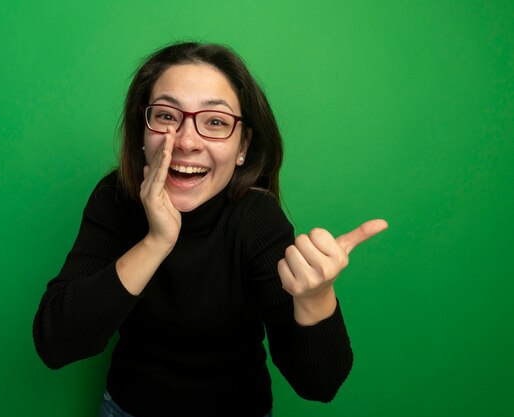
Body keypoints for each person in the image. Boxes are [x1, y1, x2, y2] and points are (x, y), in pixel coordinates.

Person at [32, 41, 388, 417]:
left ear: (242, 147)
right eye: (167, 116)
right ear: (143, 132)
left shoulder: (257, 218)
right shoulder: (116, 198)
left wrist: (316, 298)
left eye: (215, 122)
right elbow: (56, 343)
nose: (186, 142)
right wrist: (157, 241)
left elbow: (320, 385)